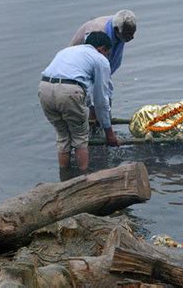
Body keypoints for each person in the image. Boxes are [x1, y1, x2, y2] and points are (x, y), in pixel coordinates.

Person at [39, 31, 120, 180]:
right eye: (107, 53)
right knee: (80, 138)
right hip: (69, 91)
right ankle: (83, 182)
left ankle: (64, 180)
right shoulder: (100, 59)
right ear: (101, 49)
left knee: (63, 136)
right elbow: (101, 99)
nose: (107, 57)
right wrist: (109, 132)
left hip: (44, 88)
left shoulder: (67, 51)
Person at [69, 10, 137, 126]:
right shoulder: (97, 33)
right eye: (128, 35)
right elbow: (92, 71)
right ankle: (95, 127)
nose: (132, 38)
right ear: (116, 30)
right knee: (93, 105)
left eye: (133, 33)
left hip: (102, 67)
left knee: (104, 103)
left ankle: (103, 124)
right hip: (80, 72)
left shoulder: (122, 23)